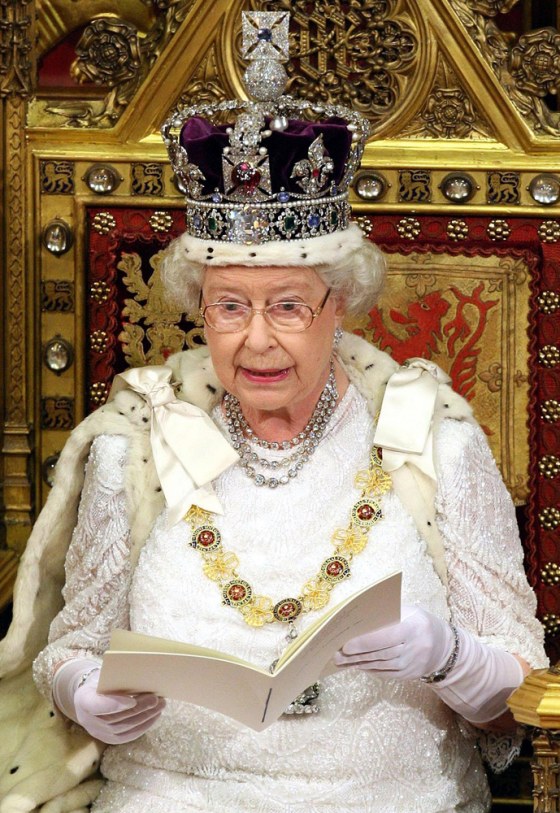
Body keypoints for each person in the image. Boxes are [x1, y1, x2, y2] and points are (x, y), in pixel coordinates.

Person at [2, 11, 547, 813]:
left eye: (288, 305)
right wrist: (86, 692)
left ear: (341, 304)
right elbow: (69, 649)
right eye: (229, 307)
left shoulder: (434, 436)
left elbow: (524, 693)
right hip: (170, 797)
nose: (256, 340)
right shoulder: (140, 443)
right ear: (200, 308)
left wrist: (449, 655)